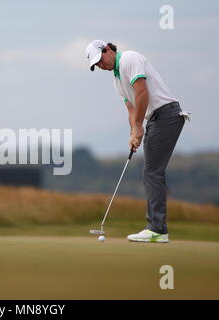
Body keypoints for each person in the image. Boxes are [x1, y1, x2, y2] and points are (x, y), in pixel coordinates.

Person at [86, 40, 190, 243]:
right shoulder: (116, 81)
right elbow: (132, 109)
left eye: (100, 60)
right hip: (155, 118)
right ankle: (157, 228)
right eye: (96, 65)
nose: (101, 65)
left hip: (166, 114)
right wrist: (134, 131)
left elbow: (142, 92)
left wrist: (140, 126)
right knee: (151, 171)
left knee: (152, 172)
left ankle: (157, 229)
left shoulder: (129, 59)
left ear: (108, 50)